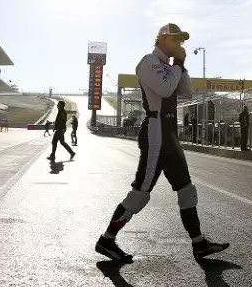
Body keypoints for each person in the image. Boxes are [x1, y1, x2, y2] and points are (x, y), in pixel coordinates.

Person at [96, 23, 229, 262]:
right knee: (140, 193)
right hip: (155, 132)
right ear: (161, 40)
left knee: (187, 190)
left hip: (170, 134)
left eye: (181, 41)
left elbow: (186, 91)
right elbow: (166, 90)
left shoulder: (171, 66)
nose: (179, 45)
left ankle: (199, 243)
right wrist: (177, 64)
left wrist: (182, 65)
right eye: (175, 40)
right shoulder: (148, 62)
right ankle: (107, 240)